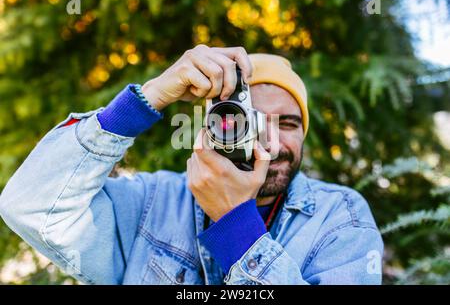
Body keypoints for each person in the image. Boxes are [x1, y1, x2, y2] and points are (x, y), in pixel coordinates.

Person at [0, 45, 383, 285]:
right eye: (251, 121)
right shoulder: (152, 202)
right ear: (215, 128)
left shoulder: (340, 218)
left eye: (288, 123)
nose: (271, 141)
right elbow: (31, 206)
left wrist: (236, 224)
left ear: (304, 133)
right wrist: (147, 98)